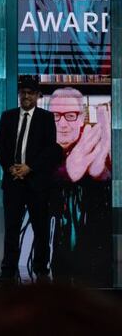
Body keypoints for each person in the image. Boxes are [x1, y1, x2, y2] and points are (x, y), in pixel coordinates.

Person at [0, 75, 58, 285]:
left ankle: (40, 269)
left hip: (36, 182)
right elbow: (0, 145)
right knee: (11, 227)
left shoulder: (46, 118)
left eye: (30, 93)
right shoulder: (8, 116)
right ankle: (7, 270)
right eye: (23, 93)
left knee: (40, 227)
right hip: (13, 180)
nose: (26, 96)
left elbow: (50, 150)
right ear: (19, 95)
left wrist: (29, 168)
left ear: (37, 95)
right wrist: (10, 167)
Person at [47, 87, 112, 285]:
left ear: (82, 117)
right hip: (51, 251)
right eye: (55, 116)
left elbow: (105, 177)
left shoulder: (95, 142)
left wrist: (101, 172)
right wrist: (66, 172)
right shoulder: (41, 142)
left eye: (70, 115)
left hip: (90, 256)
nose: (62, 124)